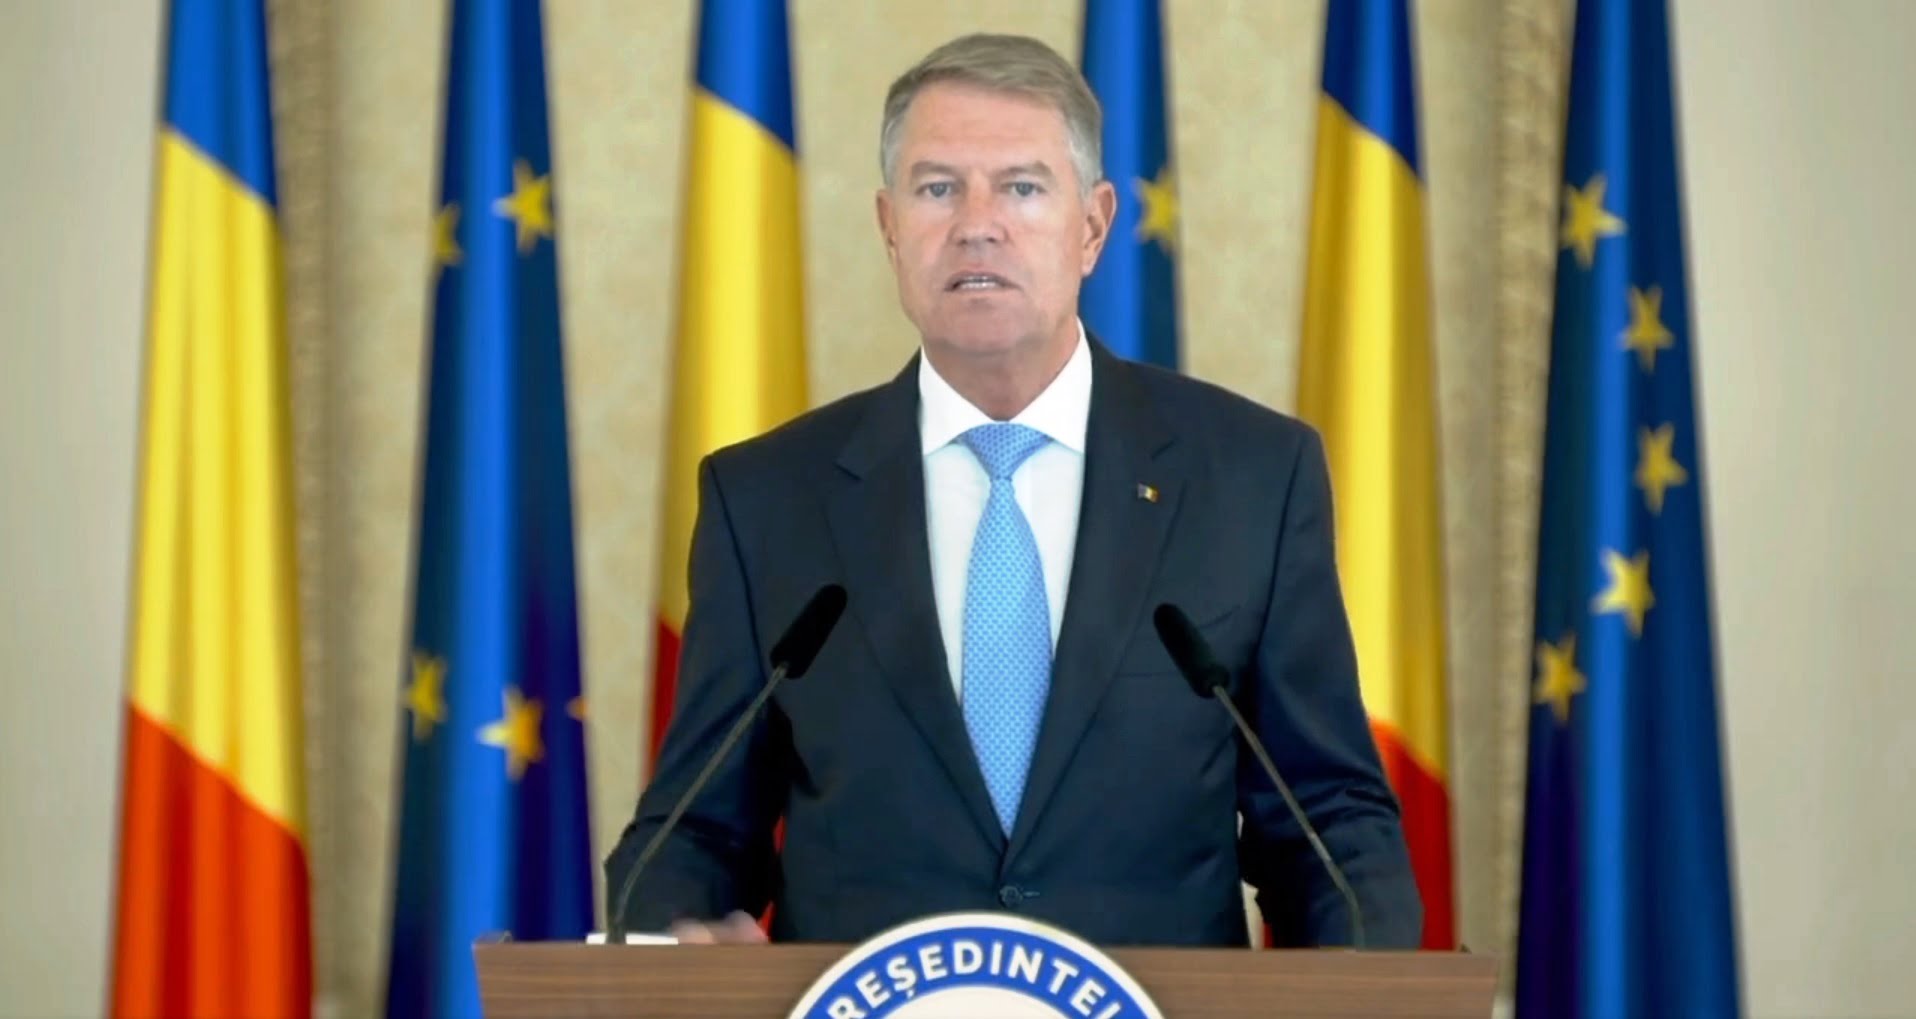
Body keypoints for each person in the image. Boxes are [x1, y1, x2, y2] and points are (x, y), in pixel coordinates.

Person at [605, 31, 1422, 949]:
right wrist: (670, 937)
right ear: (888, 225)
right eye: (937, 188)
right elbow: (694, 831)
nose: (977, 223)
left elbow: (1326, 820)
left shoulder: (1251, 480)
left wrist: (1365, 977)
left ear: (1094, 225)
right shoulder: (767, 501)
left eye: (1022, 187)